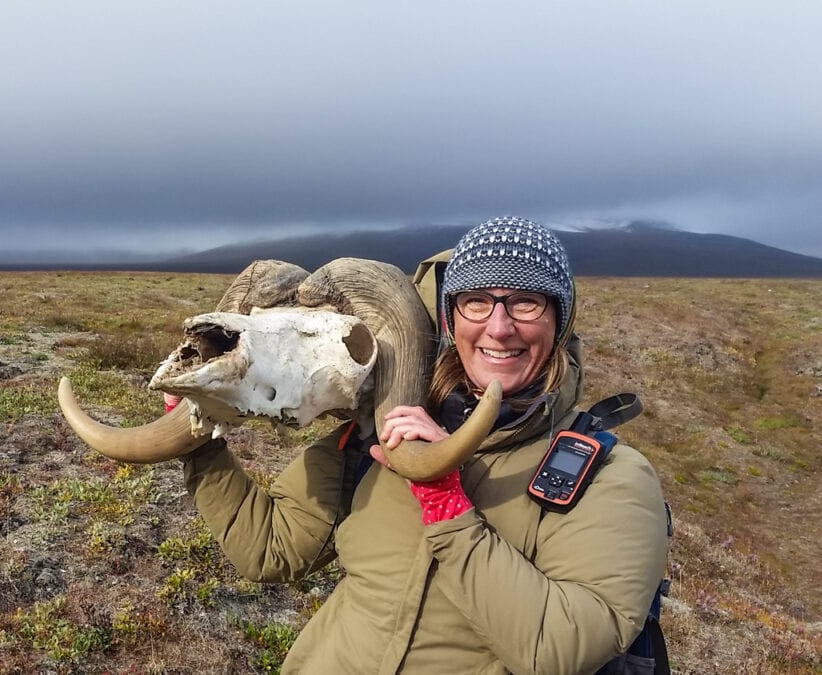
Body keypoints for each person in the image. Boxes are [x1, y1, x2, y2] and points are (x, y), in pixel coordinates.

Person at [173, 216, 669, 674]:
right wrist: (198, 440)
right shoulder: (382, 434)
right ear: (451, 318)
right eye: (476, 301)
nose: (499, 326)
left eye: (525, 301)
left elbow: (558, 646)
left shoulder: (609, 477)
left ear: (558, 321)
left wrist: (446, 505)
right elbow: (269, 549)